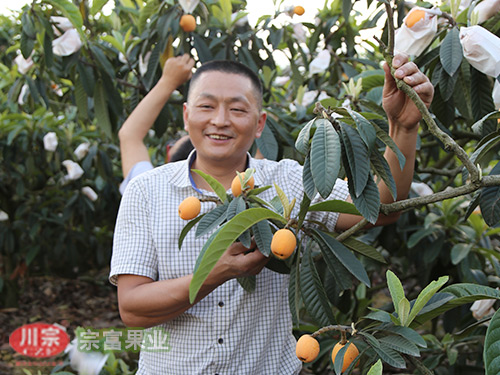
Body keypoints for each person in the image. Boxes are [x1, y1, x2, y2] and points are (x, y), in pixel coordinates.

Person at [110, 54, 434, 374]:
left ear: (260, 123)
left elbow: (379, 208)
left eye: (237, 109)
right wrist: (216, 272)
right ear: (186, 115)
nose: (220, 120)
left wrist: (403, 127)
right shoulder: (146, 191)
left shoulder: (288, 180)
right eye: (207, 106)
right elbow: (133, 309)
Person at [118, 54, 195, 194]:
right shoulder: (239, 199)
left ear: (169, 157)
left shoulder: (150, 191)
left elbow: (129, 135)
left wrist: (169, 81)